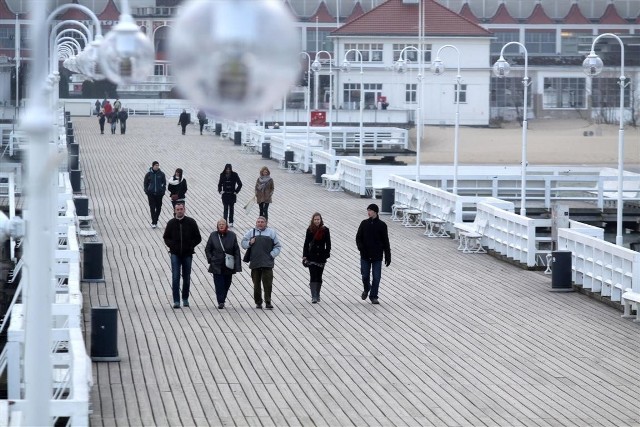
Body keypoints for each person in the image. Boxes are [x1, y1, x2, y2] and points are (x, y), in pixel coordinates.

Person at [163, 203, 202, 309]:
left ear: (184, 210)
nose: (180, 211)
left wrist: (190, 245)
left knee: (186, 277)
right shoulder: (171, 223)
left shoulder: (191, 222)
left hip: (187, 254)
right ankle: (176, 300)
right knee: (175, 277)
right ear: (175, 210)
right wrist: (172, 245)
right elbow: (166, 237)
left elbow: (198, 237)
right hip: (175, 254)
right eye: (178, 209)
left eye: (181, 209)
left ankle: (185, 298)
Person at [241, 216, 281, 309]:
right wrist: (250, 243)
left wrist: (272, 255)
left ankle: (268, 302)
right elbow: (243, 243)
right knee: (256, 284)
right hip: (255, 262)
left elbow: (278, 246)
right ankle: (258, 302)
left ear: (266, 223)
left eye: (262, 222)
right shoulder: (251, 232)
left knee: (268, 284)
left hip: (267, 263)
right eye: (258, 222)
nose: (260, 223)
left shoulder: (271, 233)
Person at [355, 203, 391, 305]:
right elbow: (358, 237)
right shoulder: (364, 223)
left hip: (377, 256)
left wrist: (388, 256)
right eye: (368, 210)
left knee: (377, 277)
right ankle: (367, 288)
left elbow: (386, 242)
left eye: (370, 210)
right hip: (365, 255)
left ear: (375, 212)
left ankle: (373, 296)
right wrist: (360, 247)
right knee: (365, 275)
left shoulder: (382, 225)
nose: (368, 212)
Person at [205, 218, 242, 309]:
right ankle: (220, 301)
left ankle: (223, 297)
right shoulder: (213, 235)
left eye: (223, 224)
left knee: (227, 283)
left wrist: (237, 265)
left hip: (228, 264)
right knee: (218, 284)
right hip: (216, 264)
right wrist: (211, 259)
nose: (221, 225)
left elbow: (236, 250)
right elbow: (208, 249)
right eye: (219, 224)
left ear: (226, 226)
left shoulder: (232, 235)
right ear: (217, 226)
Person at [302, 212, 331, 304]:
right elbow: (306, 244)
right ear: (312, 220)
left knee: (319, 276)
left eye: (318, 219)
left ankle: (317, 293)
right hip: (312, 256)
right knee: (313, 275)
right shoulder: (310, 230)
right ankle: (314, 296)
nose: (317, 221)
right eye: (315, 219)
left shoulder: (325, 230)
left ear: (321, 220)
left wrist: (326, 254)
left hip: (321, 257)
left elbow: (328, 244)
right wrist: (305, 255)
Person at [143, 161, 166, 228]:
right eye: (155, 165)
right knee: (152, 208)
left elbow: (164, 183)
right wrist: (146, 191)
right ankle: (154, 222)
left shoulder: (161, 174)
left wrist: (163, 191)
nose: (157, 166)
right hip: (151, 194)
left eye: (158, 165)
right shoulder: (148, 174)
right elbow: (145, 183)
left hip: (159, 194)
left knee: (158, 207)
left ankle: (156, 219)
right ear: (152, 166)